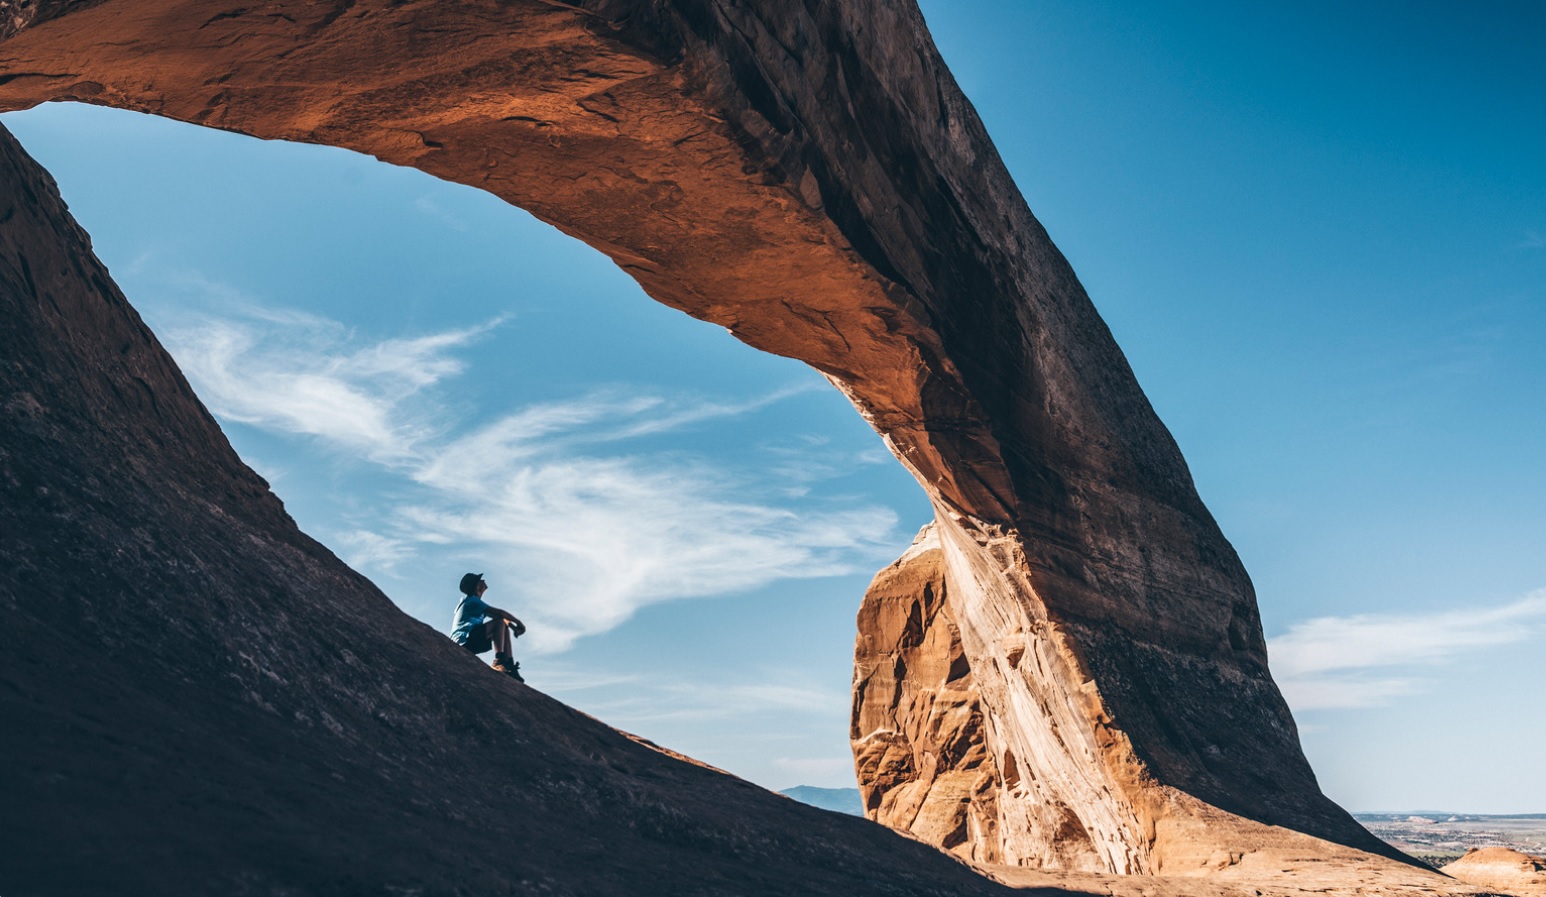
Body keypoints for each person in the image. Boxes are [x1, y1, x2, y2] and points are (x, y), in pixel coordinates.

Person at [450, 572, 526, 682]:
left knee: (502, 624)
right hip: (465, 641)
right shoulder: (472, 601)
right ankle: (499, 660)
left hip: (470, 640)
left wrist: (513, 627)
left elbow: (500, 617)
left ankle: (509, 664)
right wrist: (518, 623)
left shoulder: (474, 603)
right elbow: (499, 613)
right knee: (499, 623)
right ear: (477, 586)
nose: (484, 581)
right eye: (480, 580)